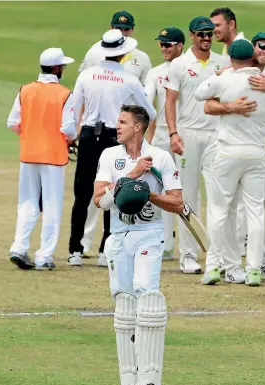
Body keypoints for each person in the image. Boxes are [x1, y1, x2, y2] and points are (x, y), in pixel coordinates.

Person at [93, 105, 183, 385]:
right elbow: (100, 202)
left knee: (148, 299)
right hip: (118, 237)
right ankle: (128, 382)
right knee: (124, 305)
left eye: (122, 122)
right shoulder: (110, 156)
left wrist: (148, 194)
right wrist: (131, 177)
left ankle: (149, 384)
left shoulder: (161, 157)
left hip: (149, 234)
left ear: (138, 127)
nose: (116, 126)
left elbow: (177, 203)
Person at [202, 32, 265, 283]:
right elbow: (208, 107)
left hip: (246, 153)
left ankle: (252, 264)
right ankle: (235, 265)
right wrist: (231, 106)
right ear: (252, 50)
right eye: (261, 47)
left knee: (253, 207)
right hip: (241, 151)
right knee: (241, 210)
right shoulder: (228, 74)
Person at [68, 29, 157, 267]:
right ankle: (105, 250)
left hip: (88, 136)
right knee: (113, 190)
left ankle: (75, 250)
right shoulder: (129, 79)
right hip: (114, 138)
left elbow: (73, 110)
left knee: (82, 194)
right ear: (124, 53)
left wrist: (70, 136)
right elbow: (151, 111)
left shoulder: (87, 75)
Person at [164, 16, 225, 274]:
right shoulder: (179, 65)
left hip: (215, 134)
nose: (206, 38)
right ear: (192, 35)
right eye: (201, 34)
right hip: (188, 133)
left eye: (209, 34)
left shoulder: (222, 64)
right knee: (187, 195)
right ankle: (188, 255)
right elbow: (170, 102)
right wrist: (174, 133)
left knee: (218, 195)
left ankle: (217, 255)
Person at [6, 48, 77, 271]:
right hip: (54, 156)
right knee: (51, 205)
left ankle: (18, 247)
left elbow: (13, 122)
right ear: (56, 69)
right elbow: (68, 128)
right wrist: (71, 139)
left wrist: (30, 135)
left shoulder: (25, 90)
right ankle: (44, 256)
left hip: (28, 154)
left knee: (27, 203)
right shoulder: (64, 94)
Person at [144, 26, 185, 261]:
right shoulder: (155, 72)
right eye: (161, 44)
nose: (164, 48)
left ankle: (186, 247)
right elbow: (148, 105)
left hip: (186, 134)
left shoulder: (189, 67)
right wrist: (146, 140)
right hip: (161, 136)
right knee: (162, 189)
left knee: (186, 189)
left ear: (180, 46)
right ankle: (165, 243)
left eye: (168, 44)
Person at [78, 10, 152, 85]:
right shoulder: (94, 53)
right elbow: (83, 80)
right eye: (119, 29)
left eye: (126, 29)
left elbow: (146, 89)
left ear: (132, 30)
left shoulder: (143, 58)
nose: (122, 33)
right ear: (111, 28)